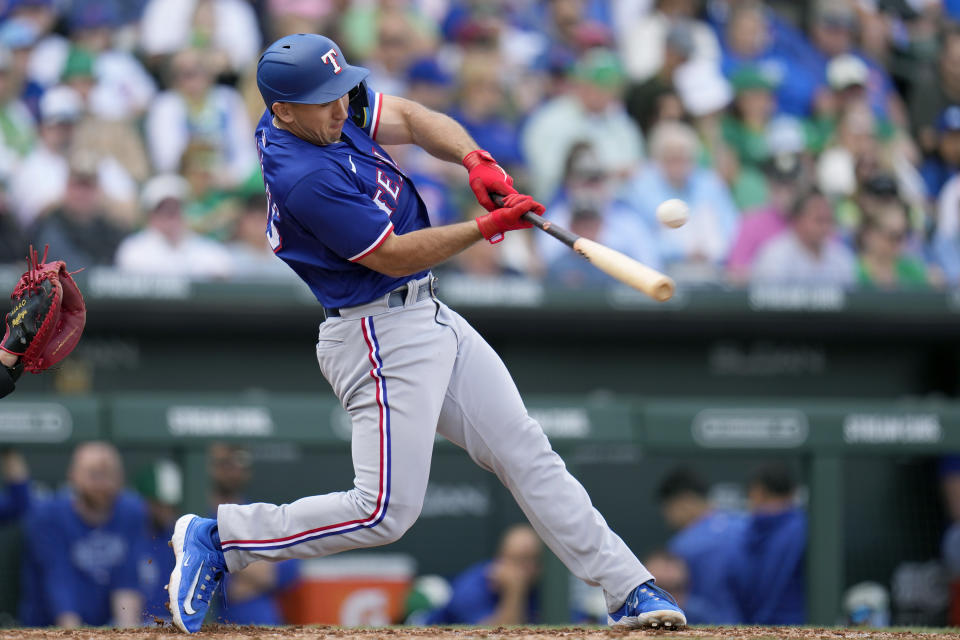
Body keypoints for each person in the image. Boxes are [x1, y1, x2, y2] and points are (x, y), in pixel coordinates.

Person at [166, 33, 686, 634]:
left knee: (527, 452)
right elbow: (392, 256)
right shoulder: (301, 173)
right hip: (377, 333)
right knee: (383, 512)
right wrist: (486, 225)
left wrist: (475, 160)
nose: (342, 107)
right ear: (283, 110)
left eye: (341, 92)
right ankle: (219, 536)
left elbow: (410, 118)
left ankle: (629, 589)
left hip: (427, 315)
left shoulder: (318, 111)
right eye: (325, 100)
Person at [20, 441, 145, 628]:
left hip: (104, 628)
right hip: (48, 629)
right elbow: (60, 586)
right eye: (94, 475)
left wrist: (127, 633)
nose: (103, 484)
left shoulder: (131, 511)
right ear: (73, 476)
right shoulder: (48, 516)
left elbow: (127, 582)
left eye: (110, 475)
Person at [205, 443, 299, 626]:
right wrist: (256, 568)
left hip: (265, 625)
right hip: (215, 625)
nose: (233, 470)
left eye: (240, 463)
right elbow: (209, 582)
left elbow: (290, 568)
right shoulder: (198, 514)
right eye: (225, 463)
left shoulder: (259, 514)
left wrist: (233, 569)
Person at [656, 468, 745, 624]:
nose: (667, 518)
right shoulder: (742, 525)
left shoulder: (683, 545)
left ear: (684, 501)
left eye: (668, 508)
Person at [727, 463, 807, 625]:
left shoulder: (740, 531)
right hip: (800, 628)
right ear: (792, 492)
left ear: (758, 491)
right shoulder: (807, 526)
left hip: (752, 628)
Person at [114, 174, 232, 277]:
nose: (171, 215)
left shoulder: (208, 251)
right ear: (150, 215)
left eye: (176, 208)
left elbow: (222, 267)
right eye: (163, 209)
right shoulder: (134, 250)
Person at [425, 523, 542, 625]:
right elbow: (494, 636)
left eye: (535, 560)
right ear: (500, 559)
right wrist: (514, 592)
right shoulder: (471, 587)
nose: (529, 568)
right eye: (519, 560)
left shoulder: (545, 588)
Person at [751, 189, 856, 286]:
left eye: (828, 220)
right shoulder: (774, 256)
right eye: (819, 220)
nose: (825, 227)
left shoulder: (840, 256)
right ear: (798, 219)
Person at [134, 459, 183, 623]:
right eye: (159, 504)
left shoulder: (177, 539)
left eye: (171, 506)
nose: (166, 511)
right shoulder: (130, 537)